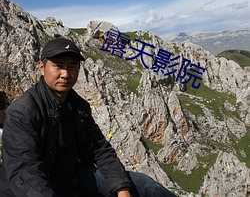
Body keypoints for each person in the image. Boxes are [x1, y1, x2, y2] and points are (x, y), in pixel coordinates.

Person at [0, 38, 176, 197]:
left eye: (72, 66)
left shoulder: (78, 107)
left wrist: (122, 188)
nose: (66, 74)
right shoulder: (22, 112)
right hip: (28, 189)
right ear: (41, 67)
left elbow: (100, 149)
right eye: (58, 65)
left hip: (70, 179)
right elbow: (25, 172)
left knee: (144, 186)